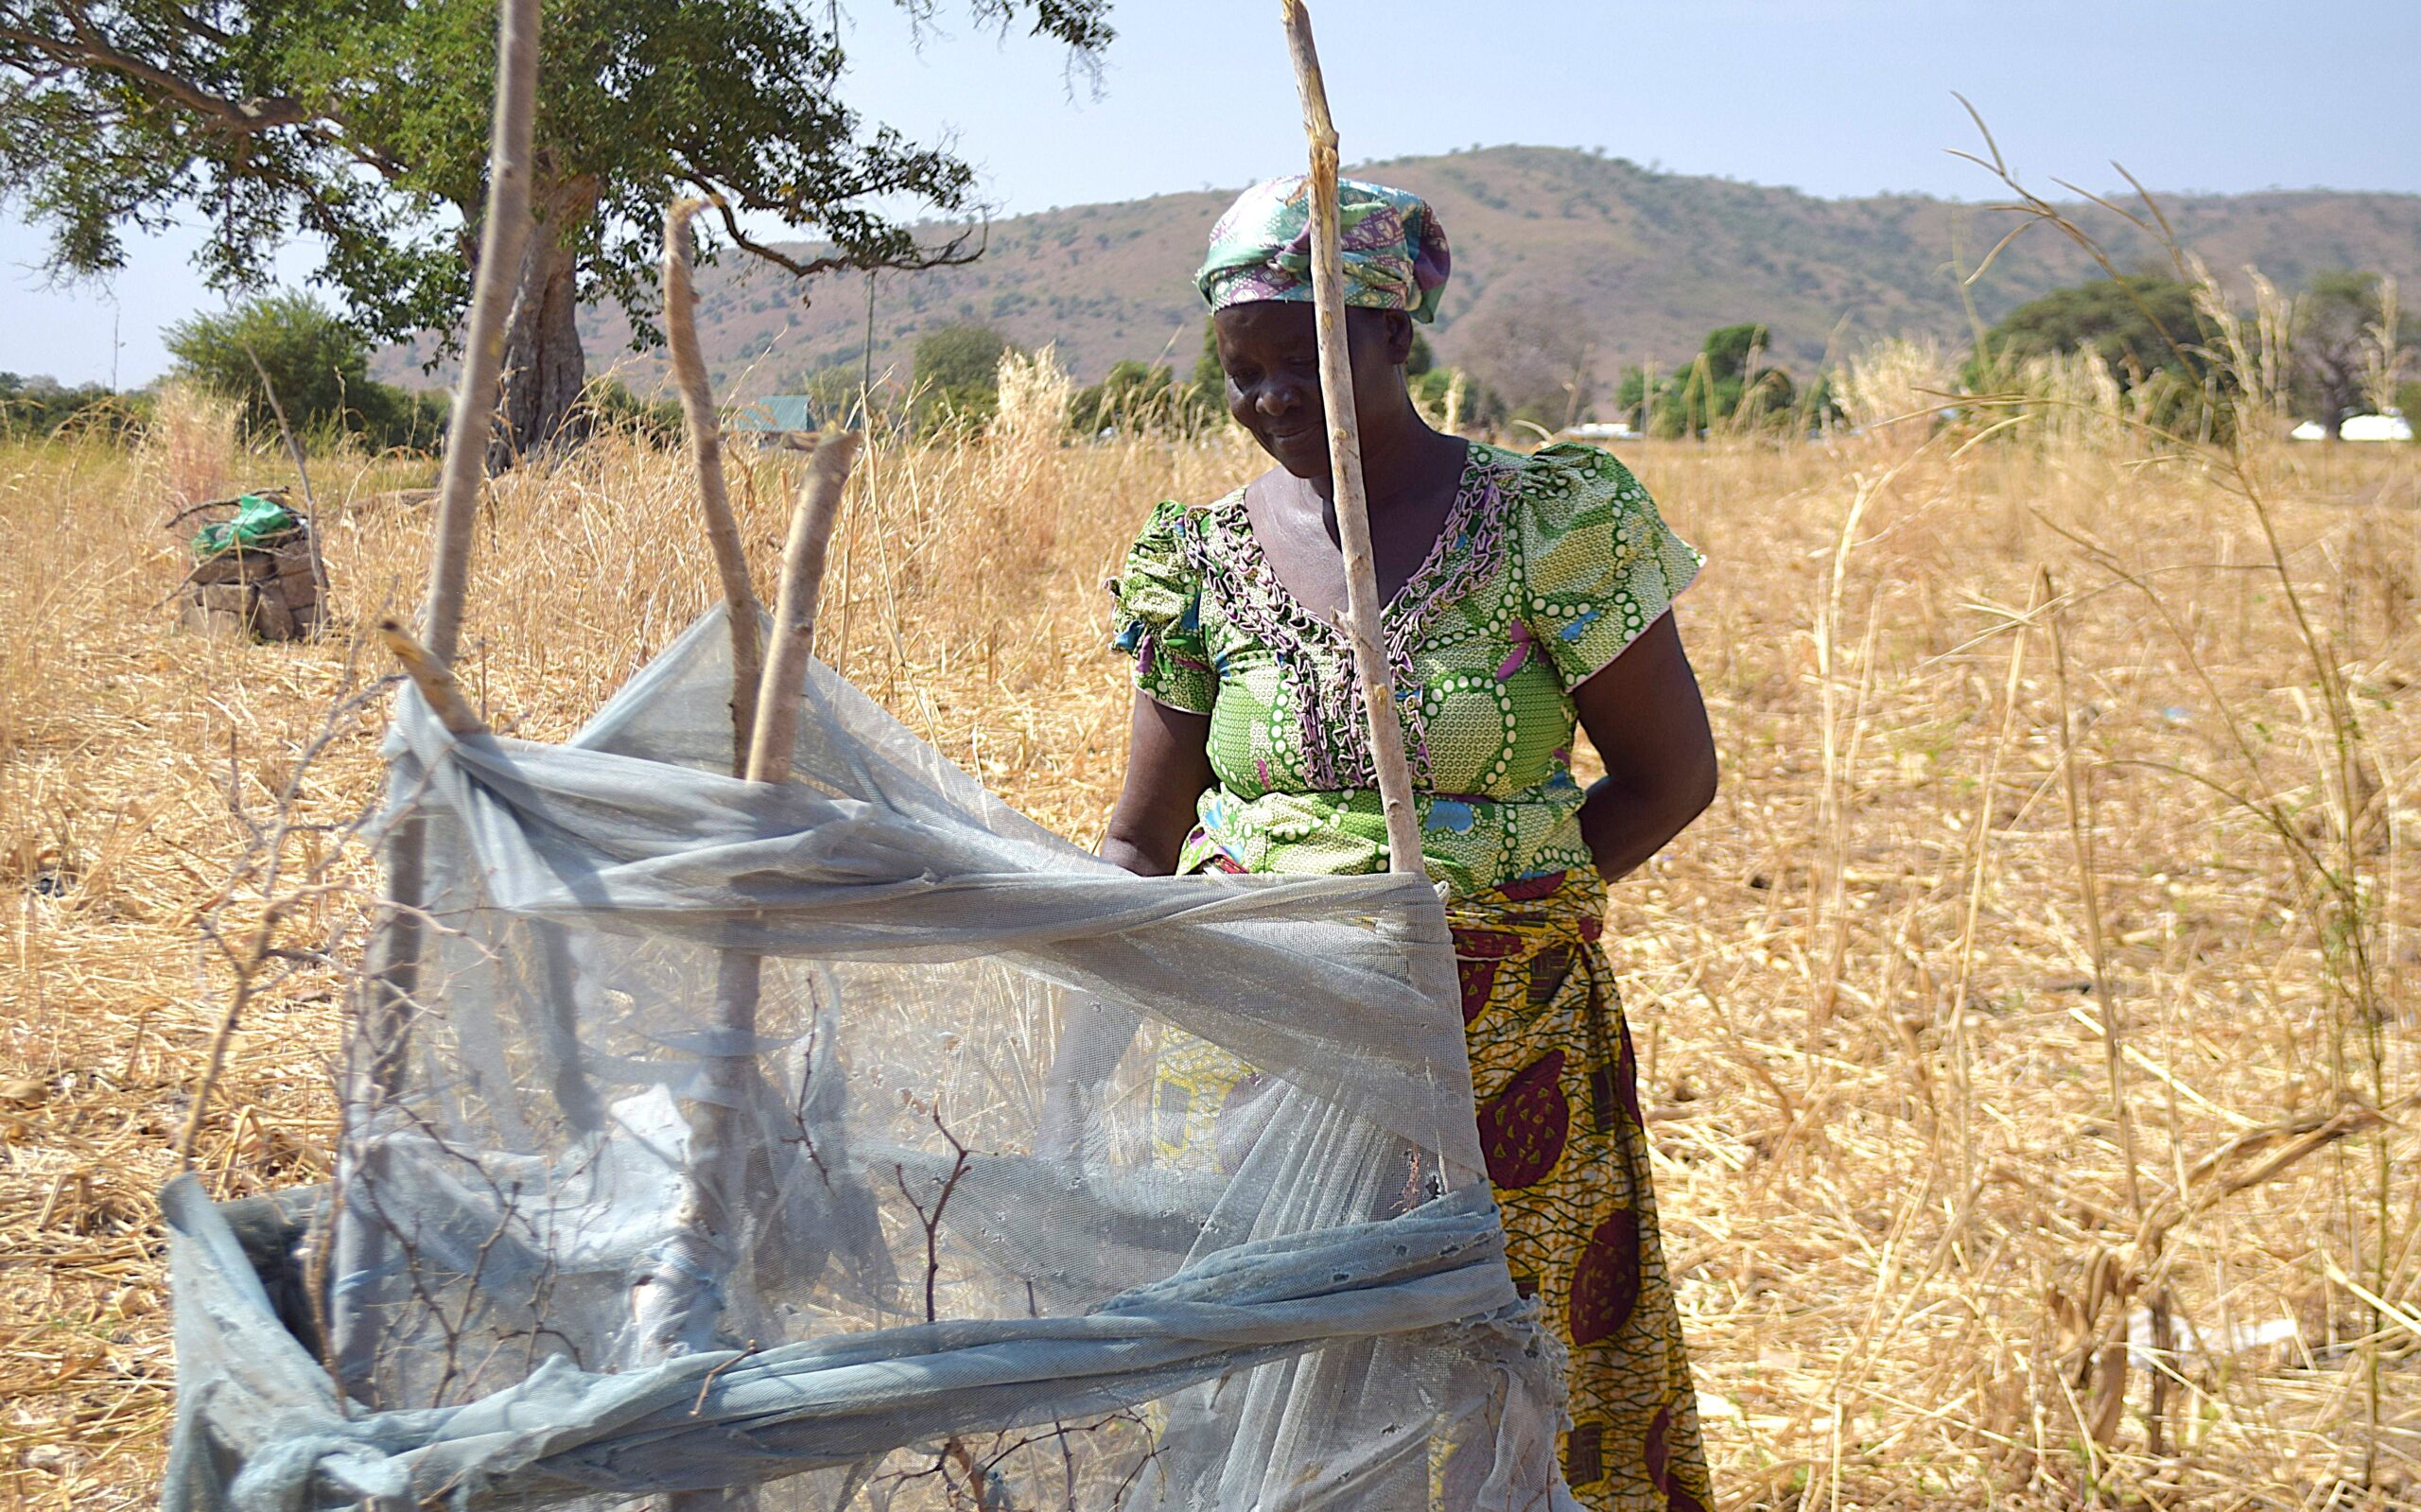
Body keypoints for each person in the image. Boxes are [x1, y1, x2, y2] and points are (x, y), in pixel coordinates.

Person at [1102, 176, 1718, 1512]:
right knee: (1287, 1394)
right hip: (1256, 1060)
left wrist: (1478, 929)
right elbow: (1138, 843)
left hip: (1500, 1065)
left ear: (1393, 336)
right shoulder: (1199, 562)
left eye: (1301, 362)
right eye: (1241, 371)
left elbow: (1670, 778)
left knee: (1507, 1390)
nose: (1269, 400)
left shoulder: (1547, 528)